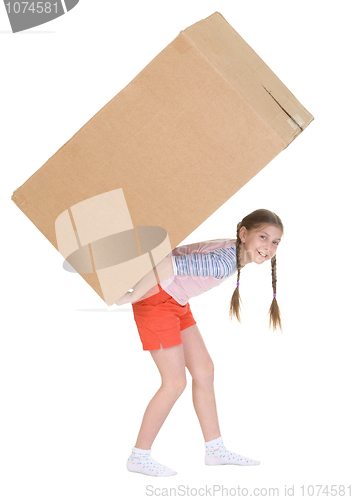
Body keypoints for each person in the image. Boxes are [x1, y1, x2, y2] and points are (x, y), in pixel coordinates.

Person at [115, 209, 284, 476]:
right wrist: (134, 294)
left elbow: (177, 254)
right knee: (174, 383)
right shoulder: (224, 263)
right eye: (263, 237)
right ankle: (139, 456)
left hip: (175, 302)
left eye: (275, 242)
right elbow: (167, 265)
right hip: (157, 302)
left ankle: (215, 450)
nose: (269, 246)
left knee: (204, 370)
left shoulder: (232, 249)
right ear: (243, 234)